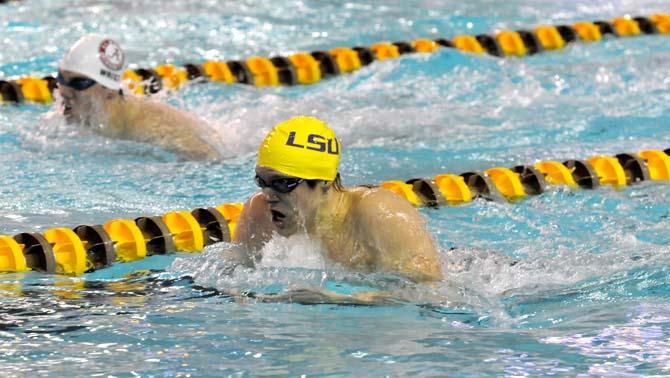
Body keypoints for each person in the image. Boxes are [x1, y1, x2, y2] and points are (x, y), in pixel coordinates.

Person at [233, 116, 444, 283]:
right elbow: (232, 274)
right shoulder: (258, 213)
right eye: (261, 181)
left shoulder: (379, 213)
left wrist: (336, 297)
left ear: (324, 181)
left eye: (281, 183)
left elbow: (429, 290)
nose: (268, 196)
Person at [57, 34, 219, 160]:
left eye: (79, 83)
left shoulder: (146, 125)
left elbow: (208, 157)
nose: (65, 90)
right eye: (61, 78)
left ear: (110, 89)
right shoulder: (77, 113)